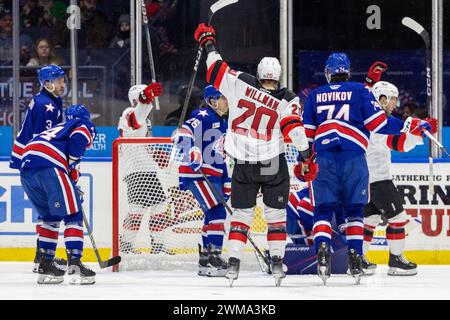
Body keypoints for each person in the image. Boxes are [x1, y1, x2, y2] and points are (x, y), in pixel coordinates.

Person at [194, 23, 314, 287]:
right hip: (272, 162)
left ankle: (234, 263)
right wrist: (307, 157)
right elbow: (294, 130)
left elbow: (214, 68)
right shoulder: (288, 99)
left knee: (241, 216)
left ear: (259, 74)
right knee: (275, 217)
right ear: (279, 75)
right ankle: (277, 262)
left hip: (243, 164)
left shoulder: (240, 82)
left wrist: (208, 42)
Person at [301, 53, 434, 285]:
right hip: (356, 163)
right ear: (348, 71)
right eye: (392, 100)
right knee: (356, 213)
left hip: (323, 158)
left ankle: (323, 248)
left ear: (328, 72)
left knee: (324, 211)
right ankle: (362, 256)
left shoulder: (315, 95)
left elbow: (306, 134)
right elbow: (379, 123)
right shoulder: (360, 92)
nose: (394, 104)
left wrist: (305, 160)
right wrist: (413, 124)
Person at [363, 70, 437, 276]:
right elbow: (399, 143)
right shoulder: (378, 122)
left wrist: (418, 132)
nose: (395, 104)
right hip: (379, 181)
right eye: (393, 99)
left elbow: (397, 139)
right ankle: (395, 261)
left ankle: (360, 259)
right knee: (397, 218)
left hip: (364, 180)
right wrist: (420, 132)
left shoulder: (367, 117)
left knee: (369, 220)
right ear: (382, 99)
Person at [20, 104, 96, 285]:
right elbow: (79, 139)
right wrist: (71, 164)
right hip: (50, 164)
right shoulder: (83, 124)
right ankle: (75, 266)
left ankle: (46, 266)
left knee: (50, 217)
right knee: (73, 215)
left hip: (27, 167)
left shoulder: (57, 129)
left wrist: (70, 176)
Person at [9, 64, 67, 273]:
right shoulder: (45, 106)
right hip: (38, 162)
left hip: (29, 161)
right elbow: (45, 142)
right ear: (47, 83)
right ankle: (44, 259)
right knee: (52, 212)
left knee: (46, 212)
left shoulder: (48, 100)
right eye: (58, 80)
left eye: (62, 80)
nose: (62, 84)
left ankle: (41, 256)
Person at [174, 85, 230, 277]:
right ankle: (214, 258)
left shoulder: (223, 122)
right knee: (217, 210)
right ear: (212, 100)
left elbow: (221, 155)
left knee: (211, 214)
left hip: (212, 174)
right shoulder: (203, 115)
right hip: (197, 173)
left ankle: (205, 261)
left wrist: (226, 180)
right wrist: (192, 151)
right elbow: (182, 133)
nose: (226, 102)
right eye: (223, 98)